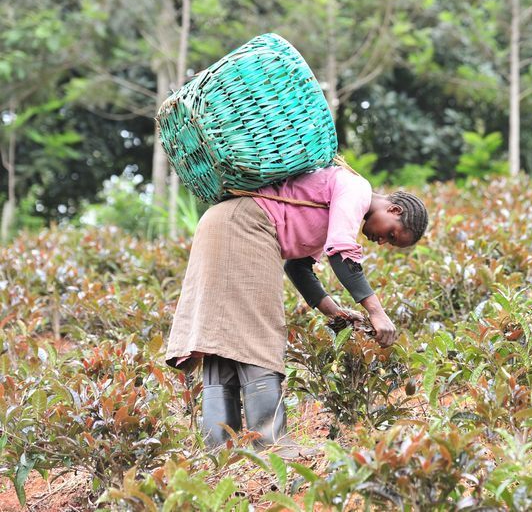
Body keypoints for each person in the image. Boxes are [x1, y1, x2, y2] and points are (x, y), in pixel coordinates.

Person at [164, 164, 428, 455]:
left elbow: (298, 267)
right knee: (258, 328)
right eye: (390, 235)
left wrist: (335, 312)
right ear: (394, 210)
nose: (381, 241)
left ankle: (218, 450)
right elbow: (341, 252)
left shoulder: (340, 199)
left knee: (221, 334)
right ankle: (271, 443)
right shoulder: (356, 189)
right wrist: (377, 312)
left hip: (223, 222)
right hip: (246, 225)